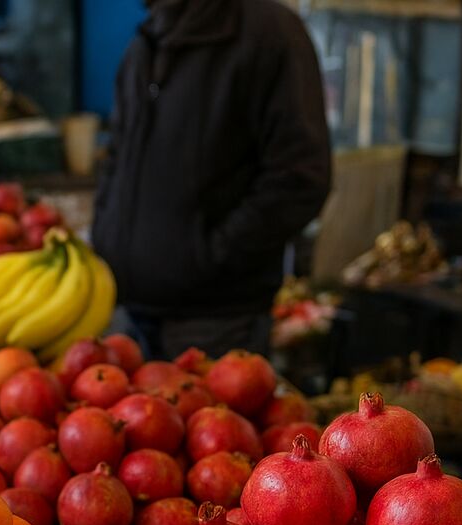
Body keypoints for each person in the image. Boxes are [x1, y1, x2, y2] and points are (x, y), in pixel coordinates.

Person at [92, 0, 331, 360]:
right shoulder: (145, 42)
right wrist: (106, 232)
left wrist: (210, 256)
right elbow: (117, 157)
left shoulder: (269, 34)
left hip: (216, 324)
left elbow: (300, 178)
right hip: (129, 314)